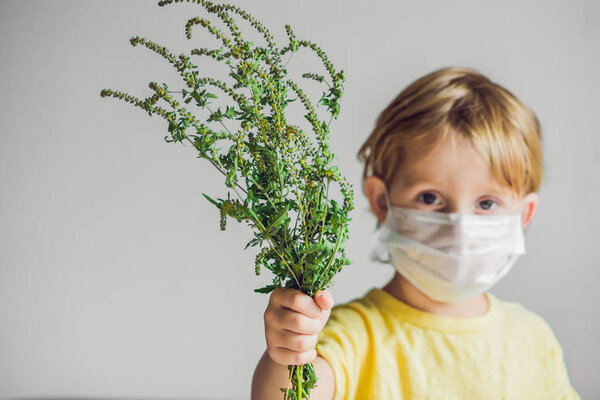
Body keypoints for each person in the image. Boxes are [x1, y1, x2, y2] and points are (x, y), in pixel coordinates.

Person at [251, 66, 580, 399]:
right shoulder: (350, 337)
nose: (459, 226)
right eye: (430, 198)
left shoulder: (534, 340)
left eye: (487, 203)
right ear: (382, 200)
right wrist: (287, 354)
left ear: (524, 214)